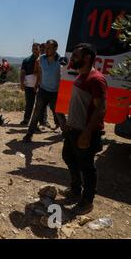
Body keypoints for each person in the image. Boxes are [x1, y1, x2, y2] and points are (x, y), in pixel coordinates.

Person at [61, 44, 107, 215]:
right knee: (68, 157)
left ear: (87, 58)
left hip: (85, 133)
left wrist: (87, 133)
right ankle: (75, 190)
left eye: (76, 56)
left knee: (87, 167)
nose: (72, 59)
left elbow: (100, 109)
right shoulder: (81, 76)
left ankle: (87, 201)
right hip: (73, 130)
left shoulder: (96, 79)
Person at [23, 40, 66, 142]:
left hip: (55, 92)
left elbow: (64, 76)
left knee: (59, 114)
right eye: (45, 48)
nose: (46, 50)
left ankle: (67, 133)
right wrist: (38, 82)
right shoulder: (41, 59)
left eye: (48, 48)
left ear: (55, 48)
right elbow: (38, 70)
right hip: (43, 90)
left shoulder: (61, 60)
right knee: (37, 112)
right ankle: (29, 134)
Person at [20, 43, 40, 126]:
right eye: (33, 48)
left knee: (41, 104)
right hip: (29, 85)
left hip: (41, 85)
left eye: (36, 49)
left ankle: (42, 121)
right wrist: (22, 83)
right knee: (29, 103)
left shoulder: (43, 60)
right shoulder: (26, 60)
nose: (34, 50)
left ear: (39, 49)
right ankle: (26, 120)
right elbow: (22, 73)